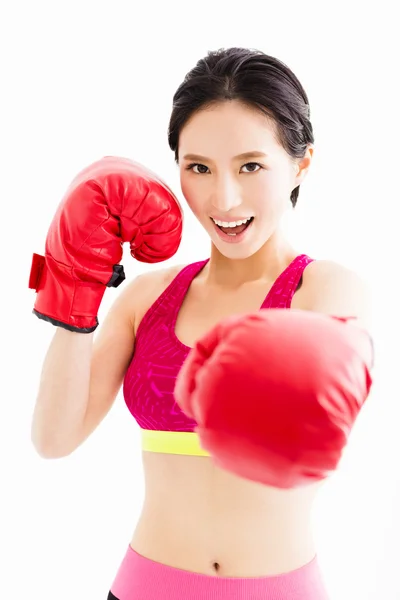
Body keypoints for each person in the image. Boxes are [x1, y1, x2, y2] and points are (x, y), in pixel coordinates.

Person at [30, 47, 372, 599]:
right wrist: (73, 288)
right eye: (199, 168)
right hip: (143, 587)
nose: (224, 198)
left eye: (251, 165)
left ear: (301, 164)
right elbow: (53, 438)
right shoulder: (148, 296)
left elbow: (299, 434)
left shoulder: (327, 290)